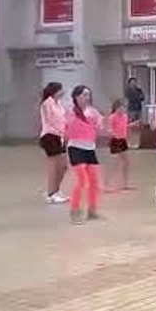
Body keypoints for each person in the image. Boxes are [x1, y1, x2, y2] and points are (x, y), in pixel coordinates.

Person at [64, 85, 105, 224]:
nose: (87, 98)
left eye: (88, 95)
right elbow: (67, 130)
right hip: (76, 148)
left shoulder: (93, 112)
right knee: (81, 180)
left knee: (94, 181)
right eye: (84, 95)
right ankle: (74, 211)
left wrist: (98, 125)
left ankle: (92, 210)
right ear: (76, 97)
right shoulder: (71, 113)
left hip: (90, 149)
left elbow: (99, 127)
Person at [39, 82, 69, 204]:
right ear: (55, 91)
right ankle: (51, 193)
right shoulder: (47, 103)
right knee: (54, 166)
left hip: (59, 137)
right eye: (61, 89)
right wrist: (59, 132)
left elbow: (63, 119)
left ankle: (55, 190)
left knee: (63, 166)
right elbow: (50, 120)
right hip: (50, 136)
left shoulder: (59, 104)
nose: (63, 92)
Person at [105, 98, 134, 192]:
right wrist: (113, 134)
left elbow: (124, 127)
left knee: (127, 162)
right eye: (123, 107)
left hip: (123, 140)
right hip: (115, 141)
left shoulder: (125, 116)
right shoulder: (112, 117)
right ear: (117, 107)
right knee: (115, 163)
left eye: (125, 107)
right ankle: (107, 183)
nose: (124, 109)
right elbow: (109, 129)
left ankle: (125, 184)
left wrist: (131, 126)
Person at [125, 77, 145, 148]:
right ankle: (130, 142)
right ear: (129, 83)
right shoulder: (128, 91)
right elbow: (132, 98)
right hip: (131, 109)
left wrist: (138, 97)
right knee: (131, 126)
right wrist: (138, 97)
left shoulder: (139, 90)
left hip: (139, 109)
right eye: (132, 82)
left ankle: (138, 142)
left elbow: (143, 98)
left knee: (138, 126)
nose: (133, 84)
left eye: (134, 82)